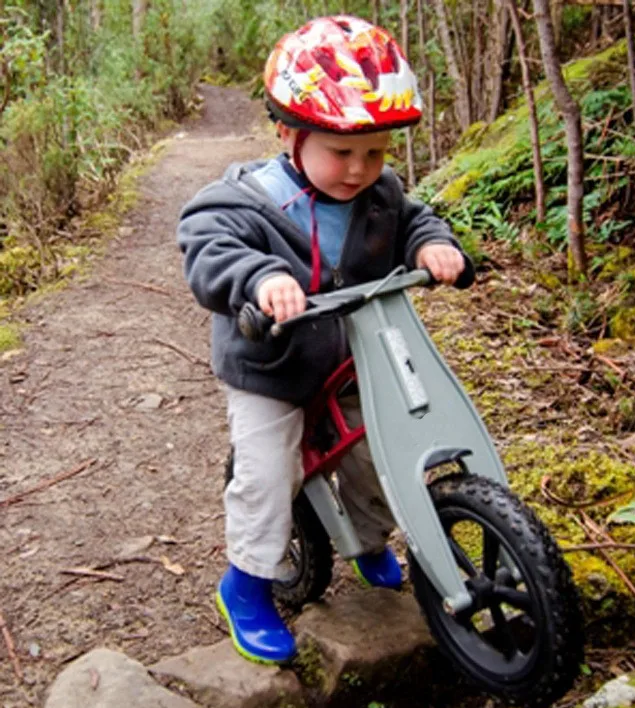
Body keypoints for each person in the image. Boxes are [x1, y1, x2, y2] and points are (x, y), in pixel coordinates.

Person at [177, 15, 473, 665]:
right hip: (272, 365)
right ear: (289, 133)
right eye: (342, 152)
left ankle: (369, 543)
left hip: (351, 356)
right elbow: (206, 244)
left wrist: (432, 243)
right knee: (269, 469)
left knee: (382, 450)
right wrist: (259, 278)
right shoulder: (246, 201)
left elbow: (413, 217)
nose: (360, 169)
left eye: (376, 152)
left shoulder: (379, 193)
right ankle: (247, 583)